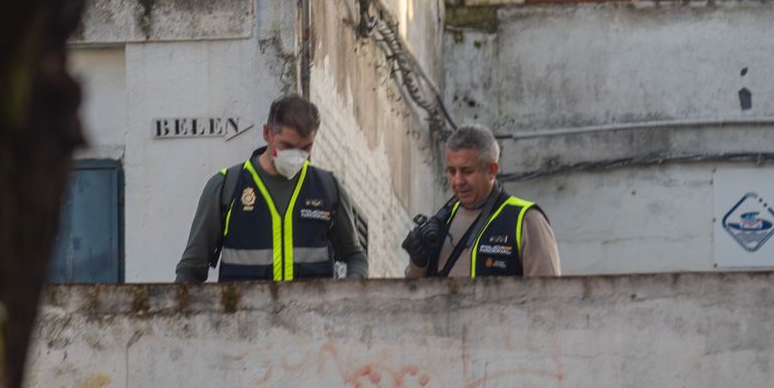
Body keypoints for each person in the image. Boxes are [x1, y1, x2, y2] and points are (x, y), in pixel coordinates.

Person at [175, 95, 368, 282]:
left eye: (306, 148)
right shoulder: (226, 187)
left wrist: (350, 290)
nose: (296, 155)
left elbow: (355, 256)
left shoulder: (328, 188)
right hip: (243, 313)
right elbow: (191, 269)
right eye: (287, 146)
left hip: (312, 313)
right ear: (267, 133)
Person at [402, 124, 560, 278]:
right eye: (451, 171)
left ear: (492, 170)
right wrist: (418, 264)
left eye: (467, 171)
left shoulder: (527, 220)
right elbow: (414, 297)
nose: (457, 181)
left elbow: (547, 296)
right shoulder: (441, 222)